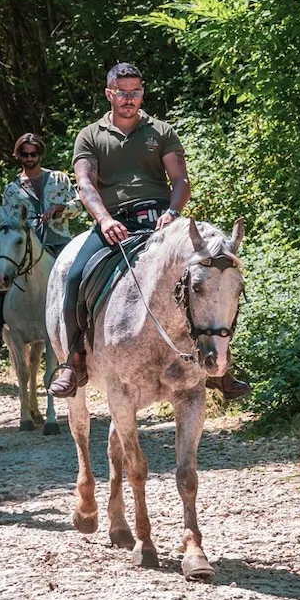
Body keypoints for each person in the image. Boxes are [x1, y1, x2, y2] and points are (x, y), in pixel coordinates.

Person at [49, 63, 250, 399]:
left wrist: (172, 212)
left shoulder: (161, 131)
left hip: (161, 220)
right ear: (109, 93)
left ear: (142, 93)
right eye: (122, 92)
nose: (129, 99)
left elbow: (180, 180)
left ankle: (218, 365)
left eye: (136, 92)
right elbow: (85, 184)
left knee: (214, 276)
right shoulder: (90, 135)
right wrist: (104, 220)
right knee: (75, 277)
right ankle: (74, 360)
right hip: (114, 222)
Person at [0, 132, 80, 347]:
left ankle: (81, 324)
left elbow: (78, 204)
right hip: (26, 247)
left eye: (34, 154)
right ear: (18, 155)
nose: (30, 158)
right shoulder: (11, 189)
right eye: (25, 154)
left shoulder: (59, 179)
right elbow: (7, 223)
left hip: (59, 240)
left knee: (79, 272)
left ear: (40, 154)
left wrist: (59, 208)